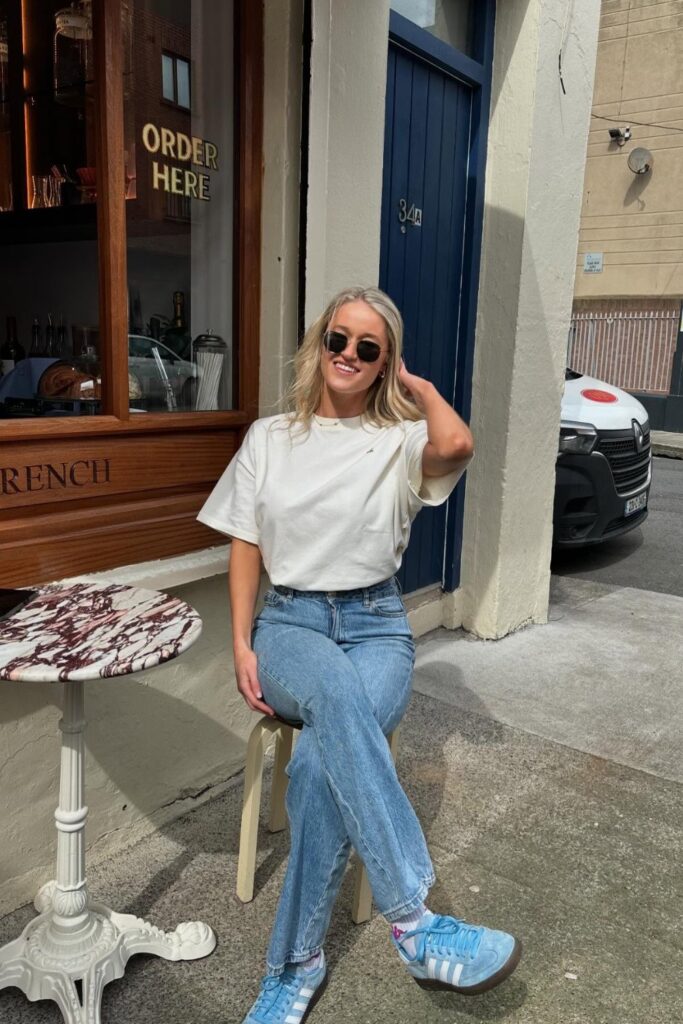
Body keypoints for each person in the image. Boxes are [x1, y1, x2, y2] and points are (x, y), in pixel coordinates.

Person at [197, 286, 521, 1023]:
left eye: (367, 348)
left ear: (384, 364)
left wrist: (424, 388)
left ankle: (293, 968)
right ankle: (416, 923)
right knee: (339, 708)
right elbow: (245, 544)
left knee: (317, 763)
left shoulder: (398, 441)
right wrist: (241, 642)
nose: (347, 354)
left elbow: (458, 445)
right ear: (319, 342)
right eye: (337, 339)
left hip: (377, 625)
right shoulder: (269, 437)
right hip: (290, 626)